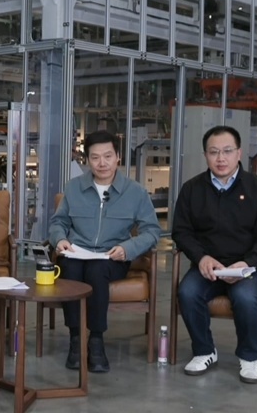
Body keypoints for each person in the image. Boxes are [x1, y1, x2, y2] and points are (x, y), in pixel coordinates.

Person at [172, 125, 257, 384]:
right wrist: (201, 258)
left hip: (249, 267)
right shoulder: (192, 189)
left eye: (227, 151)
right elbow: (181, 231)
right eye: (214, 152)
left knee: (245, 296)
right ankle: (204, 351)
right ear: (205, 155)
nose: (221, 158)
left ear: (239, 153)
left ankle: (249, 358)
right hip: (208, 267)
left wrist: (247, 263)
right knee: (187, 292)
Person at [48, 130, 161, 373]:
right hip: (77, 252)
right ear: (87, 160)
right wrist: (60, 240)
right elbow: (58, 222)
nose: (102, 163)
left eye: (108, 156)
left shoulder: (135, 192)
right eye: (95, 157)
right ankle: (76, 338)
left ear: (118, 157)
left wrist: (127, 249)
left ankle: (96, 340)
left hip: (112, 257)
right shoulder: (74, 188)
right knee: (69, 268)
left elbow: (152, 232)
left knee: (97, 270)